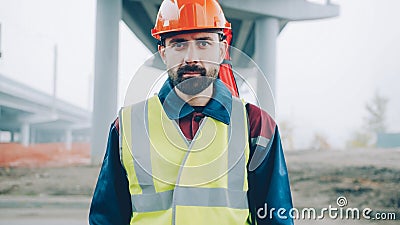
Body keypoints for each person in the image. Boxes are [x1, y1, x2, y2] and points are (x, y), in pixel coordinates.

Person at [89, 0, 293, 224]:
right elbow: (106, 218)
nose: (191, 58)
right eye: (179, 44)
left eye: (203, 43)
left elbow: (276, 217)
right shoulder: (127, 126)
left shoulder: (255, 125)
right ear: (163, 53)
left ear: (222, 50)